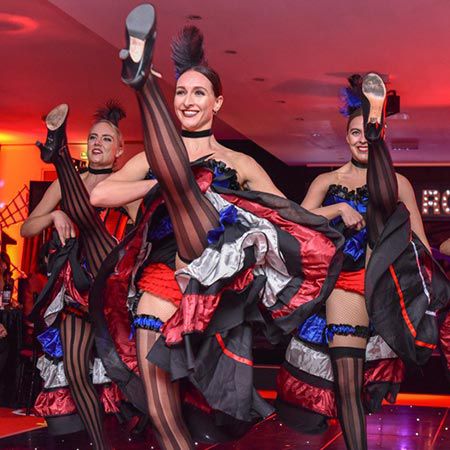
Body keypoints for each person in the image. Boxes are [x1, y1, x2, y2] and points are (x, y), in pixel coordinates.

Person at [90, 6, 343, 450]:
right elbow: (98, 196)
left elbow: (287, 214)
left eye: (199, 93)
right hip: (168, 269)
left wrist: (336, 207)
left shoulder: (239, 162)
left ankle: (141, 80)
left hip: (221, 281)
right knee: (162, 414)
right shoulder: (154, 157)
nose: (187, 100)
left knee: (205, 210)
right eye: (181, 91)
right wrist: (163, 182)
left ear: (217, 102)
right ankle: (141, 79)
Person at [276, 74, 450, 450]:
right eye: (355, 132)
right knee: (348, 386)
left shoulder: (396, 184)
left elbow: (418, 242)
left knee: (357, 388)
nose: (360, 139)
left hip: (384, 290)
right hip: (346, 286)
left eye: (368, 131)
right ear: (346, 136)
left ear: (380, 133)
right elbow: (294, 225)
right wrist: (338, 208)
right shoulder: (328, 180)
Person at [21, 101, 135, 450]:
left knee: (123, 383)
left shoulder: (123, 184)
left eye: (106, 138)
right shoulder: (63, 188)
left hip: (109, 286)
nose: (98, 143)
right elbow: (27, 228)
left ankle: (57, 151)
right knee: (73, 370)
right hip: (73, 290)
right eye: (92, 137)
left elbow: (146, 229)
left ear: (119, 151)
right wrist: (54, 217)